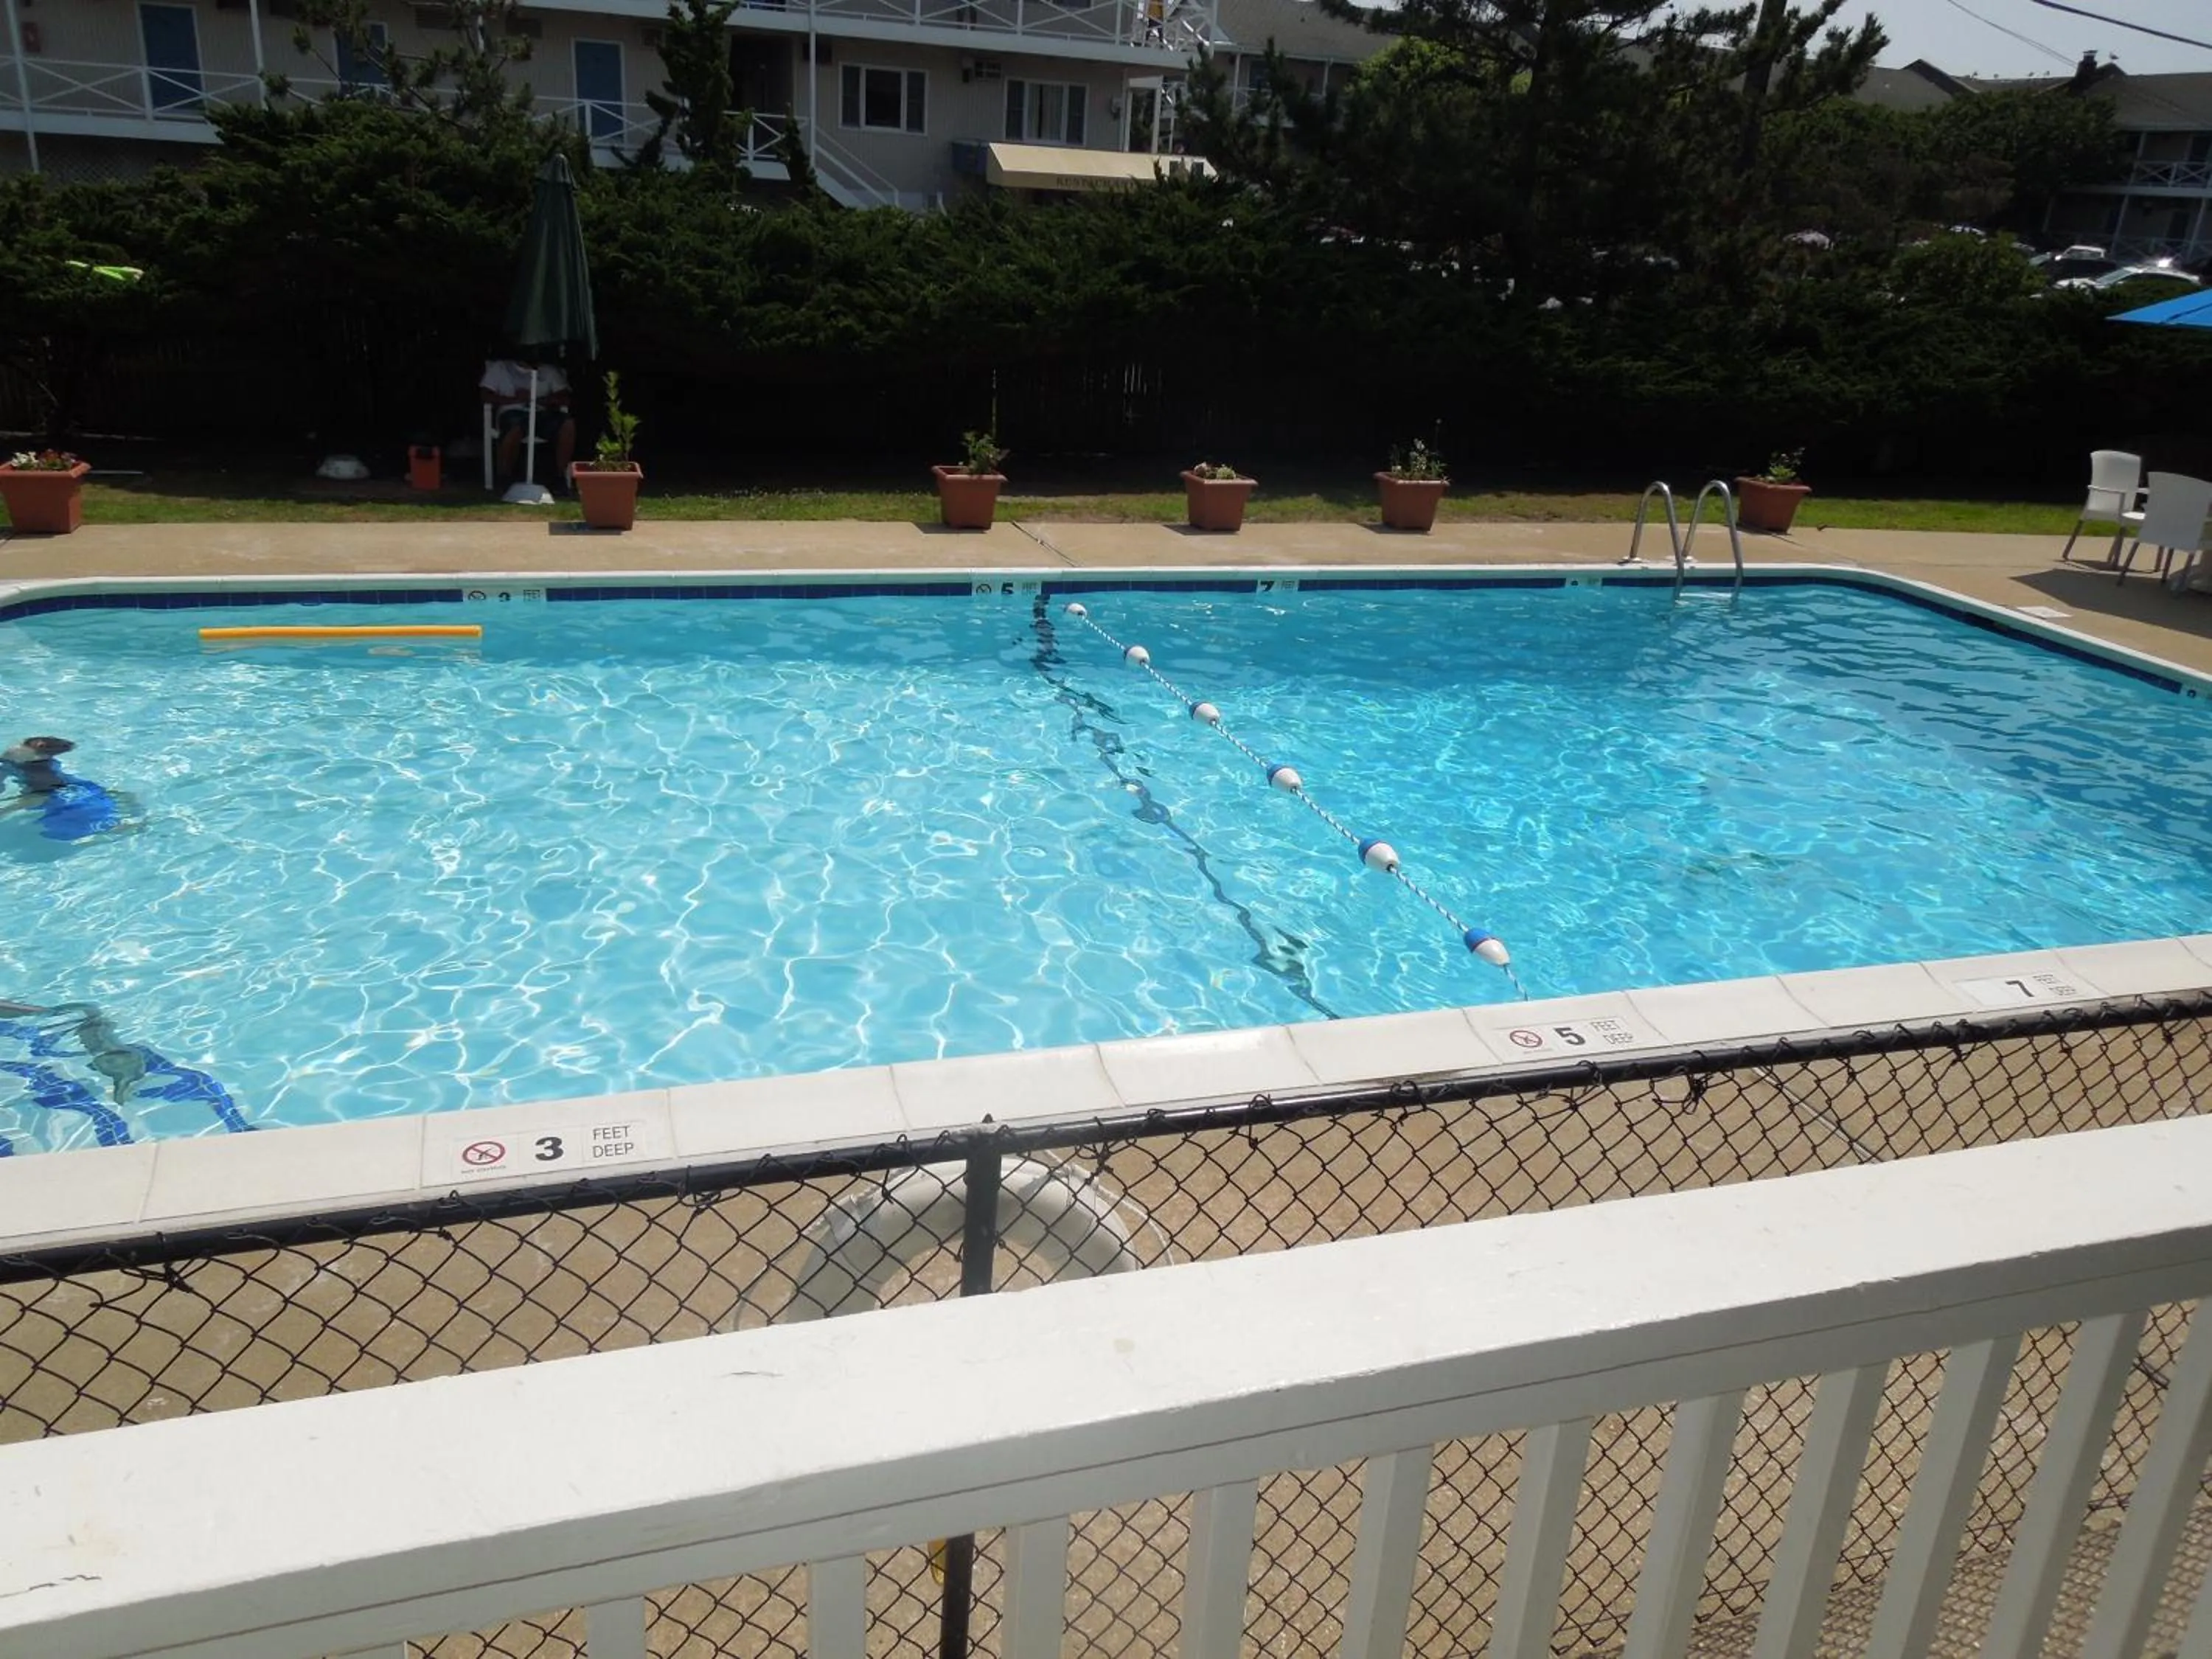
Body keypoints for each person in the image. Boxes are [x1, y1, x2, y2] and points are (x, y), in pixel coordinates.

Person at [479, 357, 576, 491]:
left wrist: (538, 399)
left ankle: (559, 478)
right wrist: (515, 399)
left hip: (541, 412)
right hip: (512, 411)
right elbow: (485, 396)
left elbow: (565, 398)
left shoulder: (549, 371)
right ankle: (505, 477)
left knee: (567, 424)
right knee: (517, 425)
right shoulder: (500, 368)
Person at [0, 736, 120, 841]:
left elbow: (41, 796)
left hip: (69, 799)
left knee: (85, 828)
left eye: (21, 745)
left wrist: (5, 811)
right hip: (78, 789)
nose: (13, 747)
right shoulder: (24, 760)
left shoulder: (39, 774)